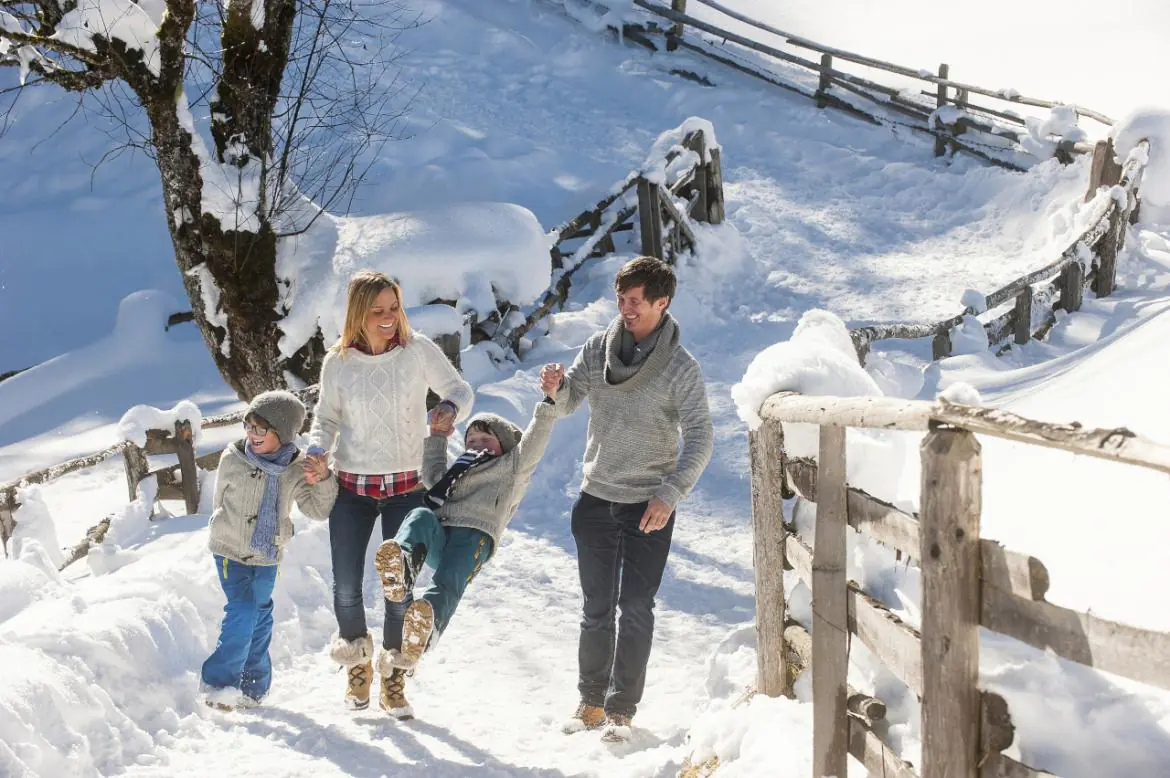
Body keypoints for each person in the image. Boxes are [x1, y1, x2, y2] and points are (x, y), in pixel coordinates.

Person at [550, 256, 713, 743]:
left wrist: (671, 493)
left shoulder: (680, 368)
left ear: (662, 303)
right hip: (596, 498)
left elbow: (702, 437)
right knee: (596, 607)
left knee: (636, 607)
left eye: (635, 301)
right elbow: (569, 402)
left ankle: (622, 710)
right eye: (621, 298)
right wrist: (556, 390)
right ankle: (591, 702)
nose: (625, 308)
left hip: (648, 505)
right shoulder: (598, 348)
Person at [306, 269, 473, 716]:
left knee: (399, 585)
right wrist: (318, 449)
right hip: (352, 489)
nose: (387, 317)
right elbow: (325, 419)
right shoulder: (338, 362)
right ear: (357, 313)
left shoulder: (417, 351)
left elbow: (458, 388)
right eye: (377, 310)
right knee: (345, 584)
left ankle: (394, 675)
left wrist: (448, 408)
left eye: (393, 307)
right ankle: (357, 665)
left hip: (405, 489)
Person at [370, 371, 562, 718]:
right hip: (442, 531)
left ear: (504, 446)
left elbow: (534, 440)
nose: (477, 445)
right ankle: (402, 565)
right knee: (419, 515)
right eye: (472, 439)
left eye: (486, 440)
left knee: (448, 582)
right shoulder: (460, 467)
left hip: (475, 536)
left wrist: (549, 402)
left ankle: (423, 630)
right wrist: (438, 436)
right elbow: (432, 478)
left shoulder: (513, 466)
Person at [201, 390, 338, 711]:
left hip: (267, 554)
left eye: (261, 429)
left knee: (261, 614)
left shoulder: (298, 467)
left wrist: (324, 478)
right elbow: (219, 501)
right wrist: (225, 528)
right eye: (248, 426)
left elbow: (318, 510)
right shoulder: (232, 457)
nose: (252, 434)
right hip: (229, 549)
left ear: (284, 432)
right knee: (245, 608)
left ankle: (253, 687)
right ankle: (218, 683)